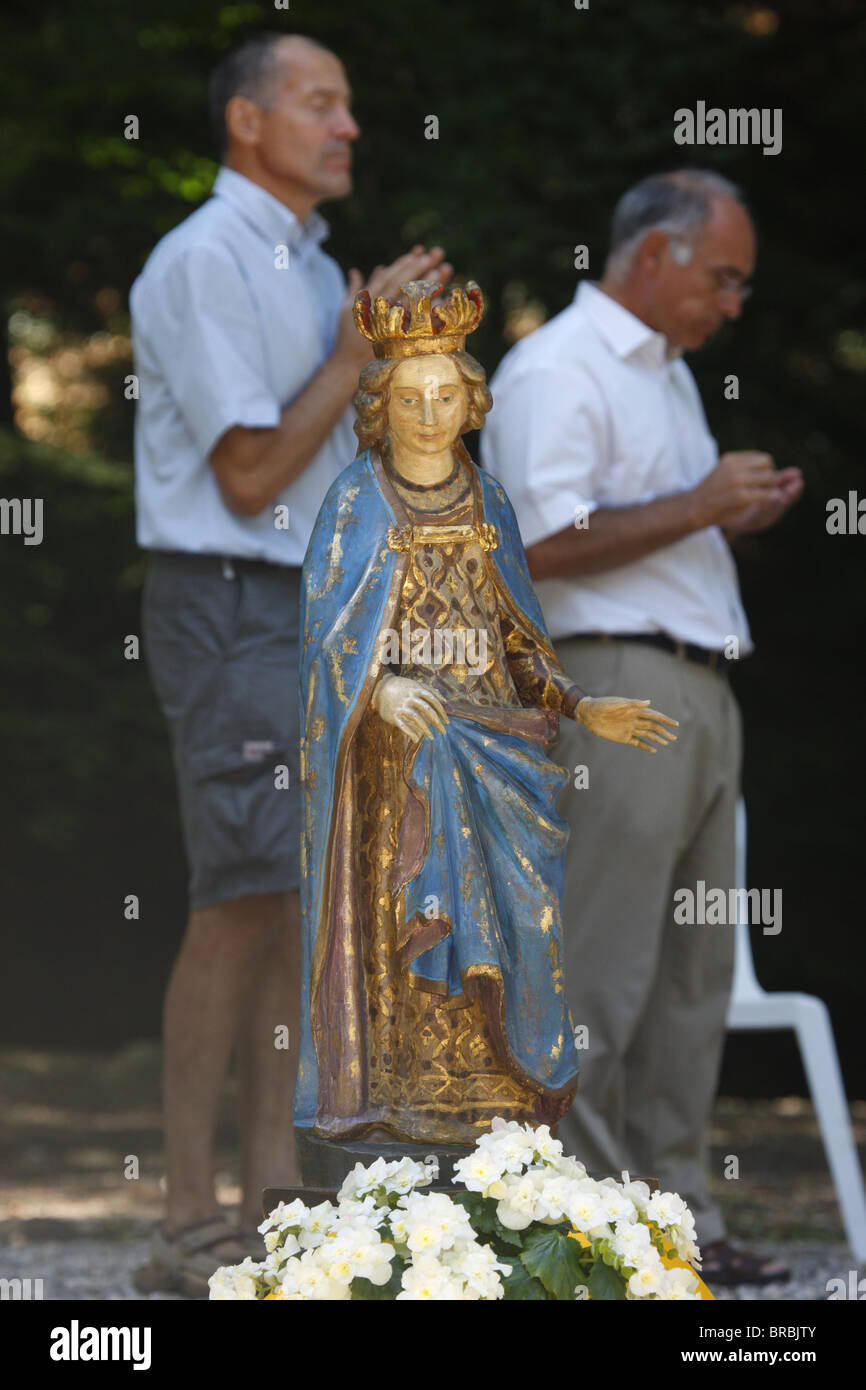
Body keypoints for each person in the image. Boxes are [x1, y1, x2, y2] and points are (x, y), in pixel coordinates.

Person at [130, 32, 451, 1296]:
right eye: (320, 102)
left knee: (297, 903)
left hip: (316, 605)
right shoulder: (203, 258)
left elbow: (333, 451)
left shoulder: (312, 266)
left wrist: (389, 353)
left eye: (352, 105)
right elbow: (251, 471)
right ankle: (188, 1210)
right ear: (246, 123)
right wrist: (358, 353)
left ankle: (274, 1196)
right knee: (239, 899)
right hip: (230, 601)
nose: (348, 125)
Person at [480, 169, 802, 1286]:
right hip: (614, 685)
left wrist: (721, 512)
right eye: (722, 277)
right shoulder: (558, 368)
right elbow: (533, 544)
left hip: (697, 684)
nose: (731, 303)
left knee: (687, 980)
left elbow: (645, 528)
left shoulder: (664, 377)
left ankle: (675, 1223)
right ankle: (583, 1230)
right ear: (653, 254)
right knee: (604, 972)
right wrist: (705, 504)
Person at [294, 279, 677, 1179]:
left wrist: (583, 706)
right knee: (410, 929)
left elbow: (519, 644)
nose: (429, 413)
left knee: (513, 926)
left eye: (445, 396)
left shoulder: (490, 503)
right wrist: (379, 688)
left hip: (500, 754)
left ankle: (498, 1110)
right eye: (409, 398)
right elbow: (321, 647)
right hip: (398, 774)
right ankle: (398, 1112)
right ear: (379, 409)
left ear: (472, 403)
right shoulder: (354, 504)